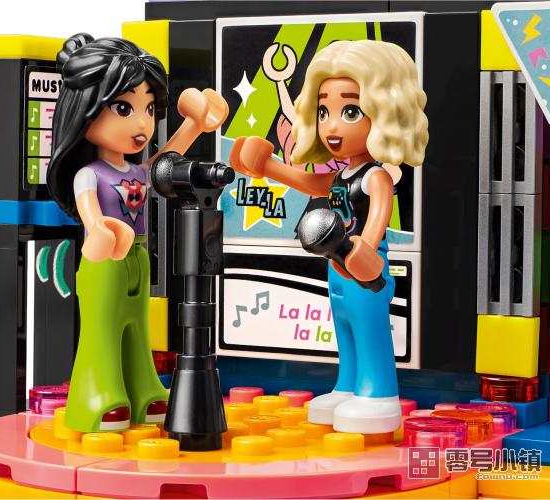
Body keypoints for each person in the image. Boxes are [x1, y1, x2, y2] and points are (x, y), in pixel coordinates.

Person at [229, 40, 428, 433]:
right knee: (346, 330)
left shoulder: (376, 176)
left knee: (369, 331)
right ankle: (349, 386)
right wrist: (267, 166)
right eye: (324, 112)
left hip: (365, 270)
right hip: (337, 268)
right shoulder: (341, 175)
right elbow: (308, 182)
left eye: (350, 111)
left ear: (384, 114)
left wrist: (364, 253)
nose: (332, 126)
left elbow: (378, 219)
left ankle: (378, 393)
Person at [48, 33, 229, 432]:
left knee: (136, 327)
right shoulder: (88, 174)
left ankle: (142, 389)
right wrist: (99, 229)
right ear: (85, 110)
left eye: (148, 108)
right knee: (103, 329)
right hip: (105, 262)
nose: (142, 123)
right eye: (123, 108)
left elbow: (166, 160)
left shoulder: (136, 171)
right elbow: (90, 213)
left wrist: (195, 125)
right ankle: (98, 395)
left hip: (139, 256)